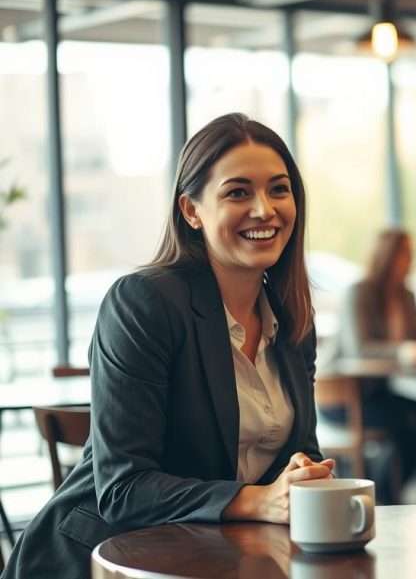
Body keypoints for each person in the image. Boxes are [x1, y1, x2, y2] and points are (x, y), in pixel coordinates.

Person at [2, 113, 335, 579]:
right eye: (238, 192)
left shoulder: (293, 317)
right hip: (103, 563)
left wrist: (305, 473)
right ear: (191, 210)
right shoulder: (144, 302)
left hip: (222, 559)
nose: (264, 209)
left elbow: (301, 450)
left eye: (279, 189)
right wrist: (259, 498)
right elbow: (124, 489)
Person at [326, 229, 416, 504]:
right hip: (342, 396)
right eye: (404, 254)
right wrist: (415, 352)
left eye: (411, 255)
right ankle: (382, 494)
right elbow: (359, 349)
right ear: (387, 256)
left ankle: (388, 491)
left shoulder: (405, 296)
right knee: (407, 424)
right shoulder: (359, 293)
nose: (409, 261)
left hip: (376, 393)